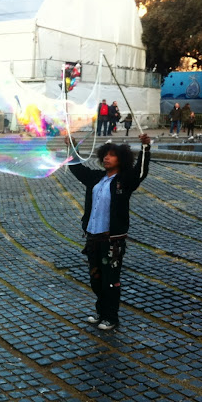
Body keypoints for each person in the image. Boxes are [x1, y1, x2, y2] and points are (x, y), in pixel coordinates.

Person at [67, 134, 151, 331]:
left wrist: (145, 147)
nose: (107, 158)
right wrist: (72, 147)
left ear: (121, 159)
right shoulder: (96, 178)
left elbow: (141, 172)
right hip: (93, 238)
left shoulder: (125, 180)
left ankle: (111, 317)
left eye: (112, 155)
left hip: (112, 240)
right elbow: (76, 168)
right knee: (96, 279)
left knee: (110, 281)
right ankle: (101, 312)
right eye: (105, 155)